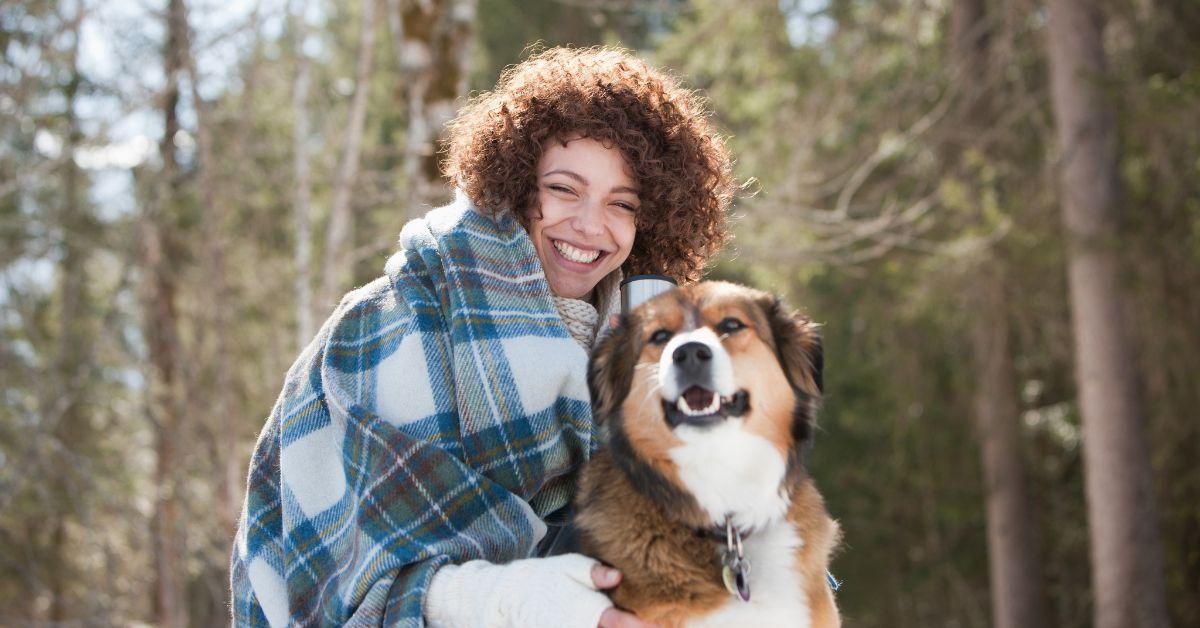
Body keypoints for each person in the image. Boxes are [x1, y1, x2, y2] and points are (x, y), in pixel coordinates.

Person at [230, 46, 734, 627]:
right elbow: (334, 565)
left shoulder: (644, 344)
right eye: (564, 190)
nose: (591, 225)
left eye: (622, 204)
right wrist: (513, 600)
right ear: (517, 183)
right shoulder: (392, 323)